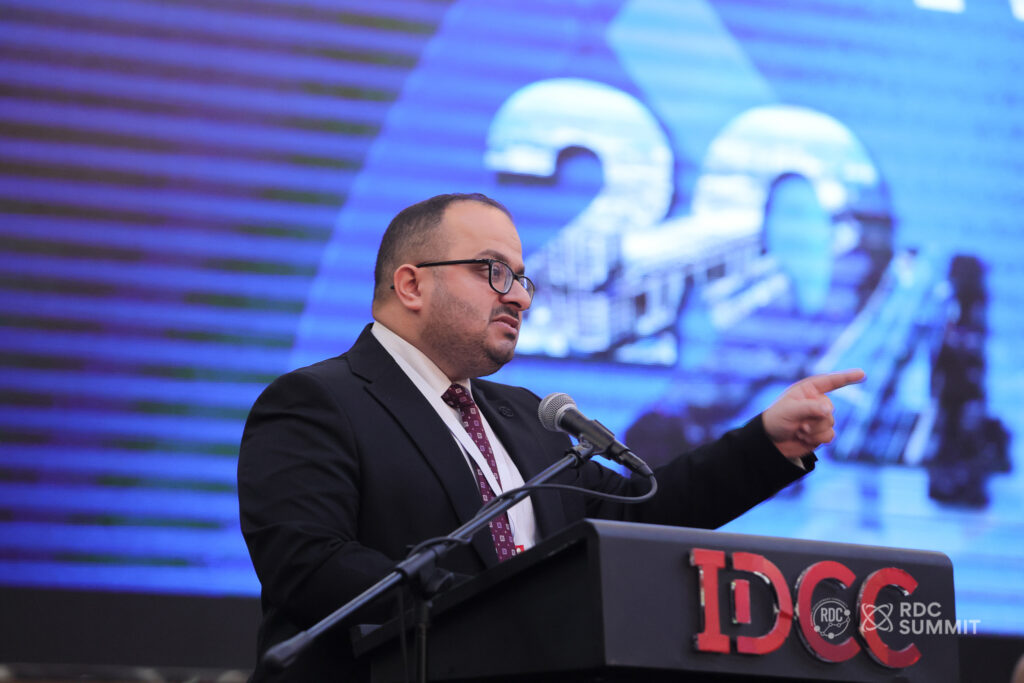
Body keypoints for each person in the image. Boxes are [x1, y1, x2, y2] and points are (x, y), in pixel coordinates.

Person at [237, 193, 865, 681]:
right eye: (493, 272)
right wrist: (503, 616)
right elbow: (310, 564)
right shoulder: (319, 402)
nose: (520, 298)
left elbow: (640, 513)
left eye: (522, 279)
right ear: (411, 285)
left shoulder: (524, 417)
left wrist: (767, 444)